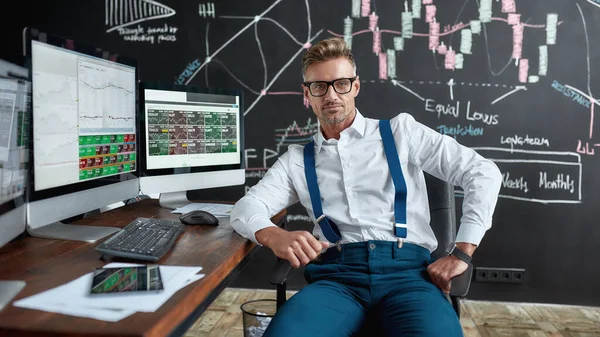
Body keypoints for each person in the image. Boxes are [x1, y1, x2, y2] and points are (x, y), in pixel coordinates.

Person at [230, 37, 502, 337]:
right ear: (308, 94)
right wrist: (273, 235)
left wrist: (463, 252)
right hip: (336, 281)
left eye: (341, 83)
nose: (331, 94)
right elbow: (245, 208)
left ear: (355, 87)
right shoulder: (296, 160)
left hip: (410, 277)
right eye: (319, 86)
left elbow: (483, 172)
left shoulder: (402, 132)